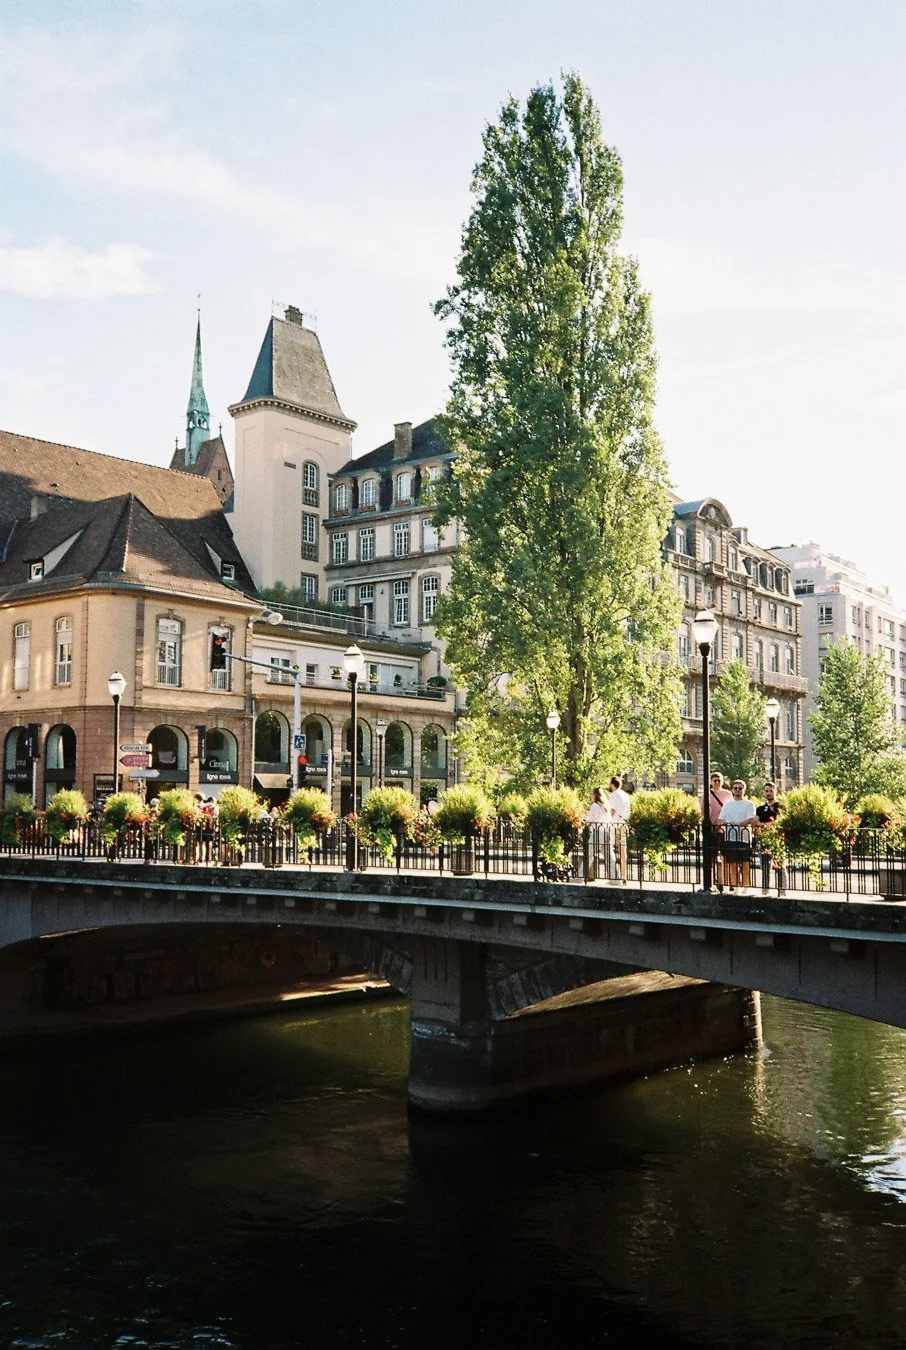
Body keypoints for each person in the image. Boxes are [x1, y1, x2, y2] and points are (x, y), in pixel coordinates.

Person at [718, 779, 757, 890]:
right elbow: (721, 819)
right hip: (730, 837)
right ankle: (735, 887)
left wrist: (739, 824)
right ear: (732, 790)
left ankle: (745, 886)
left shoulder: (749, 804)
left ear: (744, 790)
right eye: (735, 788)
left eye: (740, 788)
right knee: (732, 863)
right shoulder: (727, 804)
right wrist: (728, 823)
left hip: (744, 837)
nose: (738, 790)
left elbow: (750, 818)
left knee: (745, 863)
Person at [755, 781, 788, 893]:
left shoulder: (781, 806)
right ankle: (765, 891)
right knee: (765, 867)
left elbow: (780, 820)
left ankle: (782, 891)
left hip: (778, 839)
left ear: (775, 791)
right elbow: (755, 820)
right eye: (766, 791)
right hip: (764, 840)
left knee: (780, 865)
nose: (768, 793)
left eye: (771, 791)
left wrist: (764, 824)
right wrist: (761, 824)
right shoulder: (760, 808)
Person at [709, 772, 732, 891]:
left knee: (726, 856)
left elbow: (731, 809)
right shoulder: (707, 794)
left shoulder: (727, 794)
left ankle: (727, 882)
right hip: (711, 828)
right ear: (711, 782)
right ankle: (711, 882)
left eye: (719, 780)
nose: (717, 782)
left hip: (724, 827)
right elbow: (703, 811)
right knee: (711, 857)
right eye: (715, 780)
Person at [586, 786, 614, 880]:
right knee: (609, 857)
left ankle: (580, 876)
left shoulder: (595, 806)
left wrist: (586, 816)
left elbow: (590, 819)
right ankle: (615, 878)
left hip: (597, 832)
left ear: (595, 795)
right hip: (606, 831)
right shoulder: (606, 806)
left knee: (589, 855)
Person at [607, 776, 631, 881]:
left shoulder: (614, 795)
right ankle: (623, 875)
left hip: (614, 825)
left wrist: (607, 822)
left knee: (609, 848)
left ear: (612, 784)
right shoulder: (625, 795)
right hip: (623, 824)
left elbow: (612, 811)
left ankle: (614, 875)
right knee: (623, 850)